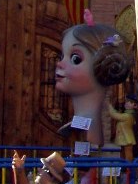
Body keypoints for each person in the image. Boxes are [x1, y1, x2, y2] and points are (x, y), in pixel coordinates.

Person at [55, 14, 133, 150]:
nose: (59, 63)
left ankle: (88, 156)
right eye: (62, 56)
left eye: (75, 59)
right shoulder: (83, 111)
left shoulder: (97, 111)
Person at [107, 94, 138, 162]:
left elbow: (115, 115)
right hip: (124, 138)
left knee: (128, 156)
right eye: (127, 101)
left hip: (127, 138)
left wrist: (109, 106)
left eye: (130, 102)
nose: (126, 103)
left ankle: (129, 167)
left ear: (134, 105)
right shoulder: (126, 115)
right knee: (123, 155)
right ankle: (124, 166)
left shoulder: (128, 116)